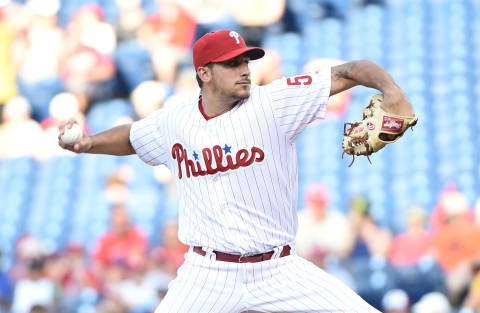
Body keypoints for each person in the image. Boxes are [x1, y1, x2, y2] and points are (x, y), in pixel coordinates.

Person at [59, 29, 415, 312]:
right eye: (232, 64)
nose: (245, 69)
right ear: (204, 73)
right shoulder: (174, 121)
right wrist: (89, 143)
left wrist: (391, 89)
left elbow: (351, 70)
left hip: (278, 269)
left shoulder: (274, 102)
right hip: (208, 274)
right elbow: (133, 137)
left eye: (246, 60)